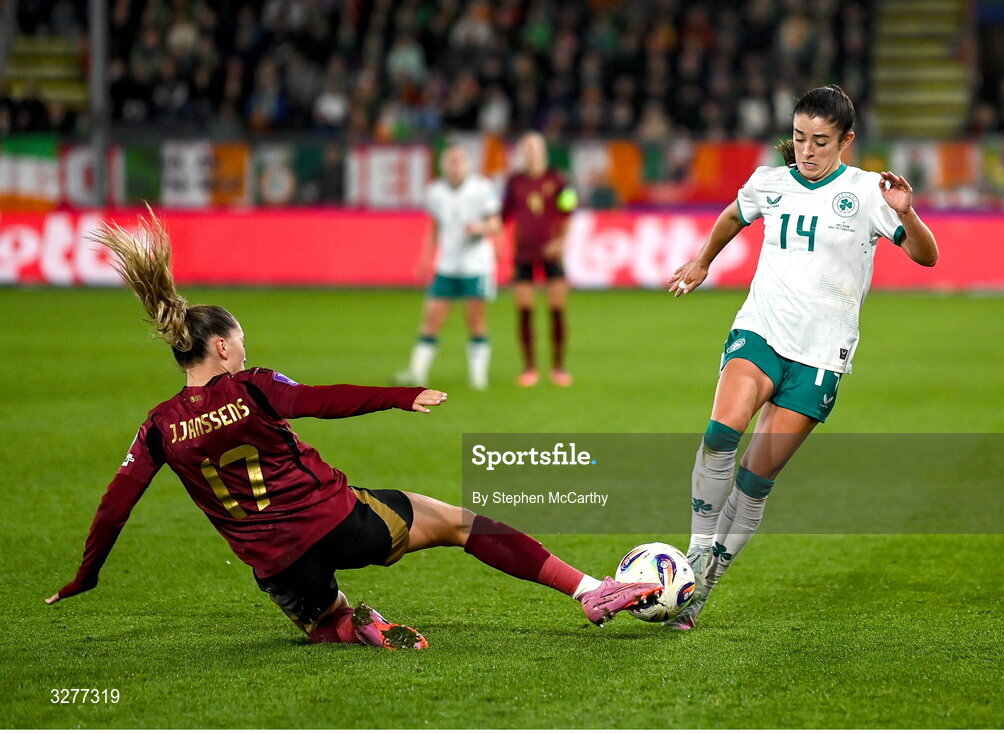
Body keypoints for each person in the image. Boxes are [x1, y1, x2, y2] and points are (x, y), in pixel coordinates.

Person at [46, 212, 660, 649]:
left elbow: (114, 508)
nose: (242, 350)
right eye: (239, 343)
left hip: (274, 563)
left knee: (322, 621)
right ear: (222, 346)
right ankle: (586, 590)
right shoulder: (253, 385)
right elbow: (322, 400)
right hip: (335, 520)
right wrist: (400, 395)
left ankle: (347, 622)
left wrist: (87, 575)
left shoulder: (158, 427)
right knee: (460, 522)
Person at [667, 85, 938, 631]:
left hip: (821, 355)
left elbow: (925, 256)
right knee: (722, 432)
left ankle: (703, 589)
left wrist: (908, 215)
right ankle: (695, 553)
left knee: (755, 480)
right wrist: (702, 262)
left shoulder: (867, 192)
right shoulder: (770, 182)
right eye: (798, 138)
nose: (807, 151)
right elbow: (731, 216)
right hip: (761, 330)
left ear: (846, 141)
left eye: (820, 141)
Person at [395, 145, 501, 390]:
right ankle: (417, 373)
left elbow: (496, 224)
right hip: (447, 264)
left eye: (459, 160)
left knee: (475, 321)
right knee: (432, 318)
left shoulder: (482, 188)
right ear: (444, 165)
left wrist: (480, 228)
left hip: (477, 264)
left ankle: (478, 378)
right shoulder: (435, 191)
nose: (455, 165)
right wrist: (425, 258)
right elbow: (434, 227)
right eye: (450, 160)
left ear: (467, 164)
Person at [501, 132, 578, 387]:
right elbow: (503, 216)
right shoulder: (514, 182)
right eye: (527, 148)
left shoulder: (558, 179)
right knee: (525, 309)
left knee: (556, 308)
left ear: (543, 151)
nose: (531, 153)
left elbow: (569, 213)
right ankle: (529, 368)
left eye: (535, 148)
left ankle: (558, 367)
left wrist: (559, 242)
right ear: (522, 153)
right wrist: (501, 244)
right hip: (523, 253)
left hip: (551, 253)